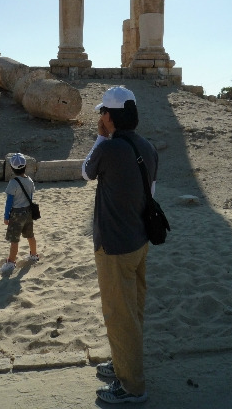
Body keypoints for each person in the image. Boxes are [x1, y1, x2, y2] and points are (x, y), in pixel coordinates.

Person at [82, 86, 158, 404]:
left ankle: (131, 386)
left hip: (114, 245)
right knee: (133, 310)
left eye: (102, 112)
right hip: (140, 241)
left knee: (119, 315)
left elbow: (86, 171)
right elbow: (151, 193)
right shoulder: (148, 147)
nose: (100, 117)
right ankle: (122, 363)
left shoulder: (109, 148)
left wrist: (101, 138)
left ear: (109, 116)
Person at [0, 153, 39, 275]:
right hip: (28, 212)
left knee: (14, 240)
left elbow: (9, 202)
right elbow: (30, 197)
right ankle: (34, 255)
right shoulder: (30, 181)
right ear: (25, 166)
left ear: (12, 168)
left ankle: (11, 262)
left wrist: (6, 216)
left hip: (17, 214)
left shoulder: (13, 183)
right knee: (30, 235)